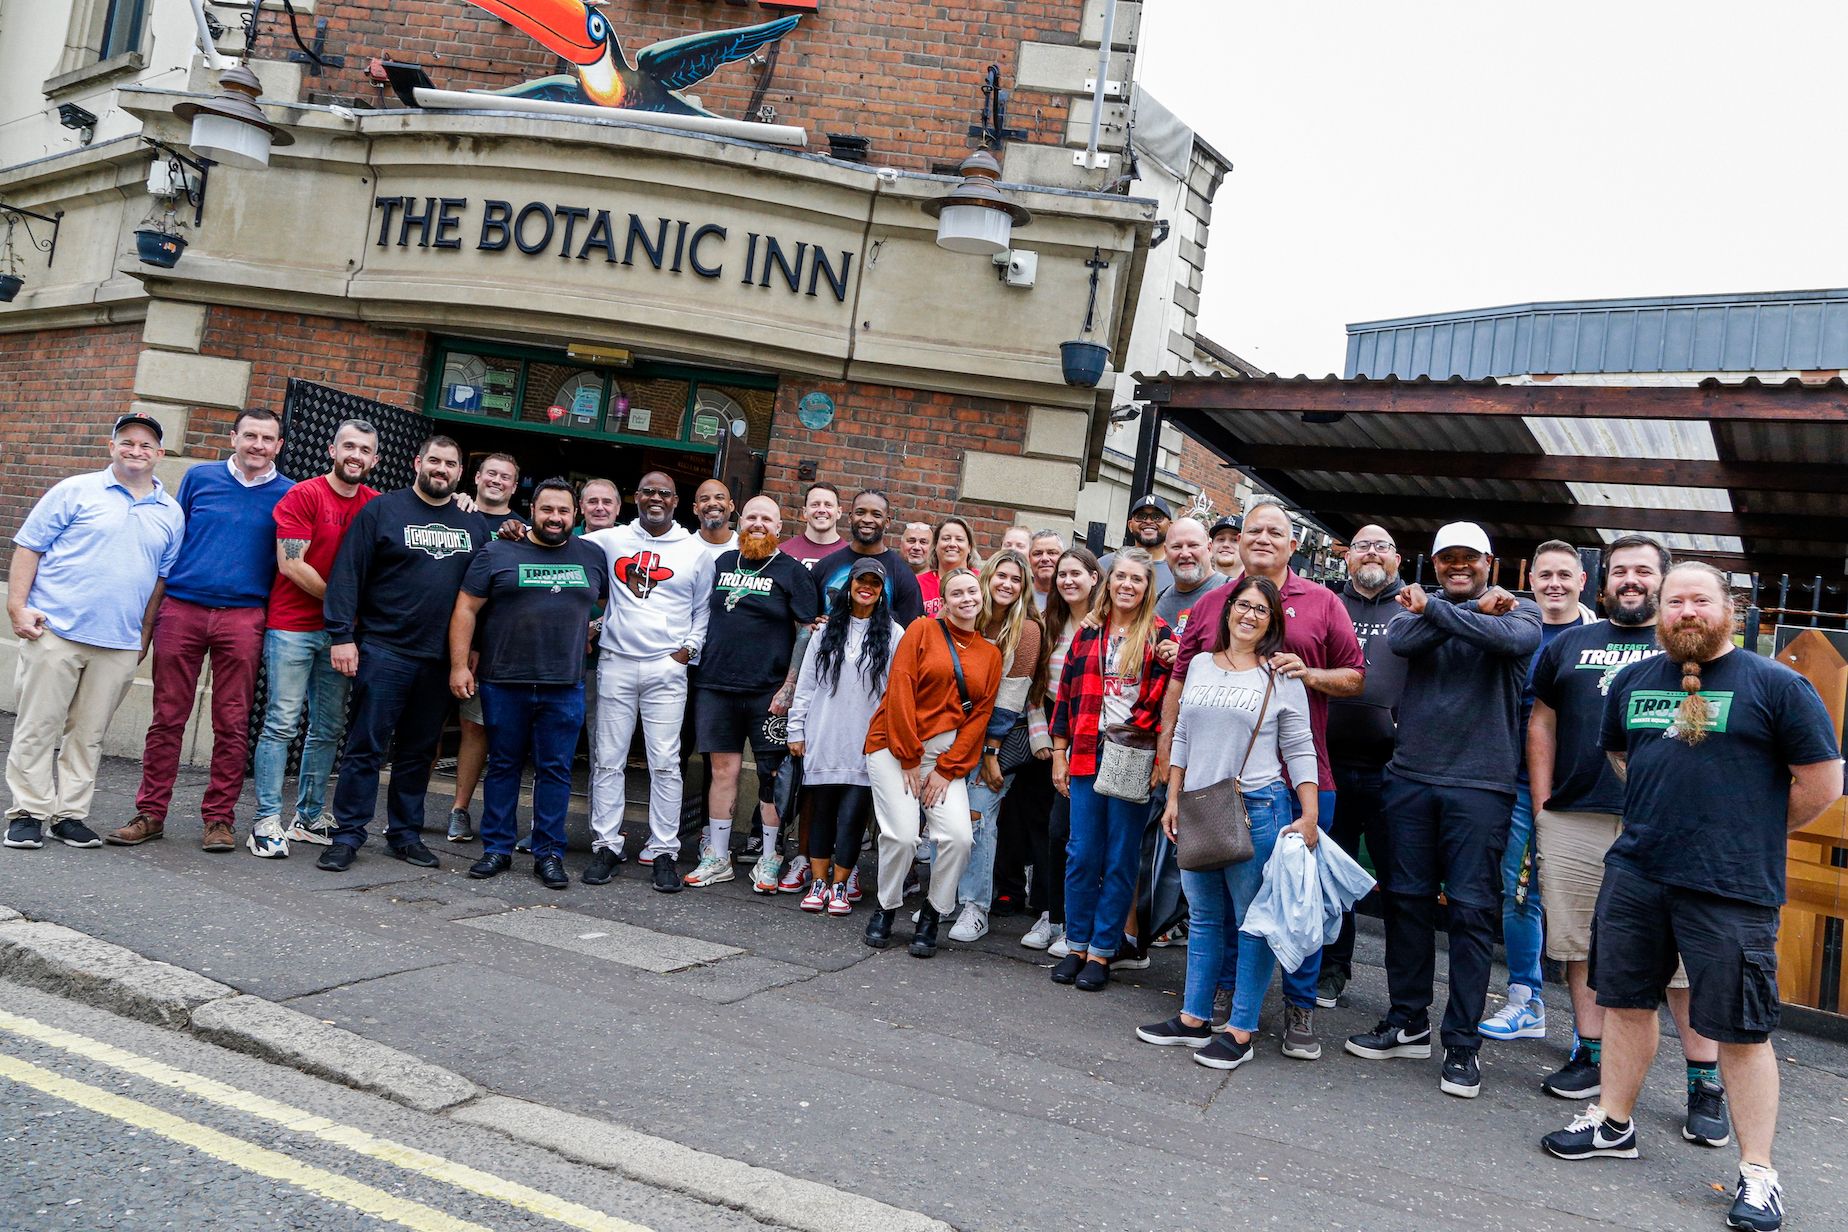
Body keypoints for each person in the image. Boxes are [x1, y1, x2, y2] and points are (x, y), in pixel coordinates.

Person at [1541, 562, 1841, 1232]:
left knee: (1739, 1027)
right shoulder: (1634, 681)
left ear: (1727, 608)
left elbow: (1821, 783)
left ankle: (1758, 1173)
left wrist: (1745, 827)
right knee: (1622, 1003)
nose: (1685, 611)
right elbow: (1623, 757)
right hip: (1639, 873)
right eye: (1674, 601)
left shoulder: (1777, 686)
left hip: (1731, 885)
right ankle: (1614, 1125)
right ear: (1660, 611)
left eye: (1699, 600)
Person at [1526, 537, 1727, 1142]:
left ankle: (1704, 1080)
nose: (1631, 580)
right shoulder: (1568, 644)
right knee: (1581, 943)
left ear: (1662, 582)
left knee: (1684, 963)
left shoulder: (1688, 649)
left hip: (1664, 828)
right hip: (1576, 817)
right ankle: (1589, 1055)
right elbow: (1542, 723)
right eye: (1620, 571)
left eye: (1644, 571)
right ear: (1603, 580)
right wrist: (1542, 808)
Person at [1344, 521, 1541, 1100]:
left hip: (1481, 785)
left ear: (1490, 563)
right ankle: (1408, 1019)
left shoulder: (1520, 613)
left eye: (1470, 559)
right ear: (1433, 564)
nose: (1459, 566)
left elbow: (1509, 643)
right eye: (1447, 559)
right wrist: (1467, 611)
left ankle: (1462, 1044)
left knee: (1473, 912)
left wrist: (1445, 610)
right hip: (1409, 778)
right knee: (1404, 900)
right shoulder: (1414, 616)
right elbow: (1402, 643)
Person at [1161, 498, 1364, 1035]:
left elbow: (1356, 678)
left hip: (1288, 786)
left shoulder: (1321, 604)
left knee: (1289, 905)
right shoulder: (1210, 606)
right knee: (1216, 912)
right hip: (1210, 790)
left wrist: (1310, 675)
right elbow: (1181, 688)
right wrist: (1169, 768)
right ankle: (1216, 1005)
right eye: (1254, 530)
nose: (1264, 539)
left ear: (1293, 544)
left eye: (1276, 531)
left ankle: (1296, 1011)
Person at [1138, 576, 1321, 1069]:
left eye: (1261, 610)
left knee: (1252, 923)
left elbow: (1299, 748)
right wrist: (1172, 795)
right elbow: (1181, 736)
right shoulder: (1198, 664)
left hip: (1257, 808)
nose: (1249, 615)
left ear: (1272, 621)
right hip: (1197, 806)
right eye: (1243, 605)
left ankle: (1240, 1030)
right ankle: (1194, 1017)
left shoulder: (1280, 674)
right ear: (1228, 610)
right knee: (1203, 917)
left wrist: (1309, 815)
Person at [110, 409, 290, 853]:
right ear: (234, 438)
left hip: (244, 615)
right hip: (183, 608)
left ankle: (219, 820)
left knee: (231, 723)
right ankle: (151, 813)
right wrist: (148, 620)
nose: (258, 445)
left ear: (279, 446)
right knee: (167, 717)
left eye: (268, 439)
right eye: (250, 436)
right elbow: (172, 542)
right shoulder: (199, 478)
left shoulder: (289, 494)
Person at [4, 412, 184, 852]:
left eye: (146, 445)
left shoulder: (171, 513)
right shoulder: (75, 490)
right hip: (56, 631)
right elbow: (30, 546)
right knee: (39, 725)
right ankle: (28, 813)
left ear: (159, 454)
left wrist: (143, 636)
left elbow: (160, 581)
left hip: (119, 643)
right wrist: (17, 607)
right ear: (112, 447)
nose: (136, 450)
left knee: (89, 734)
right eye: (127, 442)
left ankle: (70, 815)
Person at [316, 436, 490, 872]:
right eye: (434, 460)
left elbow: (482, 596)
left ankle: (405, 834)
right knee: (365, 748)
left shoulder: (473, 525)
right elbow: (347, 575)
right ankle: (348, 834)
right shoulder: (382, 510)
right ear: (418, 462)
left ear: (459, 473)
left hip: (438, 660)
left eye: (450, 464)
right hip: (384, 650)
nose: (441, 469)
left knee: (418, 751)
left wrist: (472, 651)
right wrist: (341, 635)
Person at [447, 478, 606, 889]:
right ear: (531, 510)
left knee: (555, 771)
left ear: (576, 515)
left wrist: (591, 628)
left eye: (564, 511)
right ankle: (496, 849)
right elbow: (465, 607)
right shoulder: (497, 551)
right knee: (503, 766)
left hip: (564, 683)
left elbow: (612, 604)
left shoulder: (592, 555)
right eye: (547, 510)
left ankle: (548, 852)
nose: (555, 518)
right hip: (504, 680)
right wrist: (460, 665)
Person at [245, 419, 379, 856]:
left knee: (328, 727)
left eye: (365, 450)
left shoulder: (375, 505)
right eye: (349, 447)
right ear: (332, 450)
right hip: (292, 627)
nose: (356, 455)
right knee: (282, 722)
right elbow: (291, 565)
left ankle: (307, 816)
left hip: (339, 635)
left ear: (374, 460)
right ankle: (266, 819)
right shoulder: (304, 494)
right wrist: (343, 606)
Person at [1478, 540, 1593, 1043]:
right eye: (1545, 575)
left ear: (1583, 582)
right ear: (1532, 580)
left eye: (1565, 575)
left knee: (1588, 907)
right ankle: (1527, 999)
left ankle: (1592, 1029)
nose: (1555, 584)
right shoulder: (1517, 629)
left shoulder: (1600, 637)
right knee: (1519, 894)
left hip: (1586, 791)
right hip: (1520, 785)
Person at [581, 471, 716, 892]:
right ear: (635, 497)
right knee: (607, 758)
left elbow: (703, 611)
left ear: (677, 501)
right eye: (648, 492)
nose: (655, 498)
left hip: (665, 668)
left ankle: (663, 850)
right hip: (617, 662)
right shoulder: (612, 539)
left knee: (664, 762)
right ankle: (606, 844)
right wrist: (516, 526)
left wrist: (686, 652)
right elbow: (556, 542)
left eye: (664, 493)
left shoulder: (696, 551)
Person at [1049, 548, 1174, 991]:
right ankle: (1076, 943)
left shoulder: (1161, 636)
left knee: (1121, 857)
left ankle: (1102, 952)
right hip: (1083, 751)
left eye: (1136, 580)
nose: (1127, 585)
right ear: (1109, 581)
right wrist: (1059, 752)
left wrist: (1145, 745)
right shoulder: (1089, 632)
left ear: (1147, 587)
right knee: (1082, 853)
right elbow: (1065, 696)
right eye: (1120, 577)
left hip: (1130, 754)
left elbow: (1162, 704)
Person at [681, 495, 819, 890]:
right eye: (752, 517)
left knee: (771, 774)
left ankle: (771, 856)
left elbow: (807, 629)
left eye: (767, 519)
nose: (758, 523)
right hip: (716, 685)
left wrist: (790, 686)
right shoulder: (723, 563)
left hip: (768, 692)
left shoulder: (792, 572)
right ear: (742, 522)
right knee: (722, 771)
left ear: (779, 527)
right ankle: (718, 856)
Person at [862, 568, 1000, 957]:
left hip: (943, 760)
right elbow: (900, 690)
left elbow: (979, 717)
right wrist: (908, 756)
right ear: (944, 600)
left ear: (981, 595)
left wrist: (946, 768)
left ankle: (932, 912)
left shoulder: (990, 654)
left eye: (972, 590)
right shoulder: (921, 630)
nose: (966, 598)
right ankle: (887, 907)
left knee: (959, 837)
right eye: (957, 593)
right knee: (902, 836)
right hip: (895, 750)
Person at [1319, 524, 1408, 1006]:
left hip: (1394, 772)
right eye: (1361, 546)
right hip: (1329, 765)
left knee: (1400, 884)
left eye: (1382, 546)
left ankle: (1404, 995)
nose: (1371, 553)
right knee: (1332, 876)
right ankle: (1332, 970)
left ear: (1397, 558)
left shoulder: (1413, 608)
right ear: (1346, 557)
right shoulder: (1329, 604)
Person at [790, 557, 903, 915]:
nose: (866, 587)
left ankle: (841, 884)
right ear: (850, 585)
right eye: (861, 580)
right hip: (824, 734)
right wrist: (796, 728)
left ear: (882, 591)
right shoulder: (824, 631)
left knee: (853, 816)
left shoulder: (894, 634)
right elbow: (806, 684)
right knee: (821, 812)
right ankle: (819, 882)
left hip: (867, 741)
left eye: (874, 582)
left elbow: (895, 692)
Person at [949, 549, 1049, 942]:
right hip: (954, 735)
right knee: (946, 817)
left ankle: (975, 906)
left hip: (1000, 740)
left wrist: (990, 754)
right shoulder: (968, 619)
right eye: (1000, 577)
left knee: (978, 816)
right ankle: (945, 898)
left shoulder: (1026, 630)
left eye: (1016, 580)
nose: (1007, 584)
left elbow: (1011, 700)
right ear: (986, 578)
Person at [1020, 547, 1101, 954]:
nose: (1068, 581)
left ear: (1094, 577)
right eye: (1062, 575)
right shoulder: (1047, 624)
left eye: (1077, 573)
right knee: (1051, 832)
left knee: (1076, 835)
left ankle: (1074, 922)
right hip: (1050, 737)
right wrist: (1045, 743)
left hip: (1089, 735)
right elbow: (1033, 689)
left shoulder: (1104, 625)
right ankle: (1049, 916)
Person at [447, 453, 524, 843]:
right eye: (490, 473)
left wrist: (477, 645)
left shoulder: (521, 531)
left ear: (514, 486)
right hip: (429, 639)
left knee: (474, 727)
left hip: (489, 647)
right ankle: (406, 810)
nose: (496, 480)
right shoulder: (454, 511)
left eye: (505, 477)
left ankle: (459, 809)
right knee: (422, 730)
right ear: (474, 477)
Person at [809, 490, 925, 625]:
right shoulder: (826, 567)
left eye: (876, 515)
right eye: (860, 512)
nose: (867, 519)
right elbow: (806, 621)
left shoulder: (902, 574)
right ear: (850, 517)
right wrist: (812, 624)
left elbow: (911, 631)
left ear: (887, 522)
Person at [1153, 516, 1227, 639]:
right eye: (1176, 547)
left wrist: (1186, 655)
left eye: (1193, 545)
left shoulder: (1234, 593)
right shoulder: (1156, 602)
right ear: (1166, 552)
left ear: (1209, 548)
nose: (1185, 554)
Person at [1099, 494, 1174, 594]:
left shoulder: (1178, 570)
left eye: (1157, 517)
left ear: (1170, 526)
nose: (1148, 521)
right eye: (1141, 516)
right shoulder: (1106, 564)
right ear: (1130, 525)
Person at [920, 516, 978, 618]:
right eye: (946, 539)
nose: (952, 544)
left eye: (959, 539)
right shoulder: (917, 583)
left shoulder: (982, 580)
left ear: (969, 547)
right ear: (936, 545)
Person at [778, 481, 843, 570]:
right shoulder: (782, 552)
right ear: (805, 512)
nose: (821, 510)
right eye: (815, 505)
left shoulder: (850, 556)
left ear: (839, 512)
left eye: (828, 505)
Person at [1026, 529, 1064, 612]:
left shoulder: (1073, 599)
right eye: (1037, 553)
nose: (1045, 559)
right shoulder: (1019, 597)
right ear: (1029, 559)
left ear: (1063, 558)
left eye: (1052, 553)